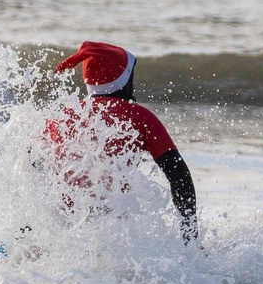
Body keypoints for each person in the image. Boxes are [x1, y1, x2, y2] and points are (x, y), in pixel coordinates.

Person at [45, 41, 199, 242]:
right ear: (123, 81)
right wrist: (191, 237)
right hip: (116, 230)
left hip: (64, 227)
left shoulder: (62, 116)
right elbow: (179, 175)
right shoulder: (140, 117)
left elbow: (32, 167)